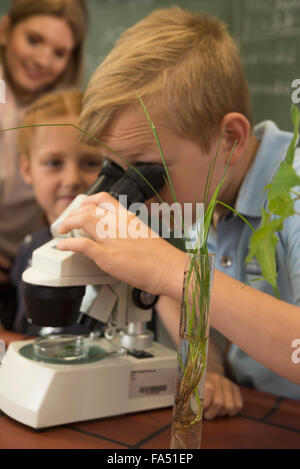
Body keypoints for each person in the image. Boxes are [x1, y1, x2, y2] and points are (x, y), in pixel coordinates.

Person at [55, 7, 300, 411]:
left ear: (230, 139)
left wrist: (170, 270)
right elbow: (169, 290)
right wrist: (212, 364)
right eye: (116, 169)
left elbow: (170, 273)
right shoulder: (195, 190)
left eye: (149, 172)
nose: (140, 194)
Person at [0, 0, 88, 329]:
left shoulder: (69, 112)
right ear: (6, 30)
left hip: (34, 258)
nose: (42, 60)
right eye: (34, 40)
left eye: (59, 52)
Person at [10, 89, 103, 335]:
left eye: (91, 163)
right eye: (54, 163)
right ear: (27, 170)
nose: (72, 179)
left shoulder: (121, 253)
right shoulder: (29, 247)